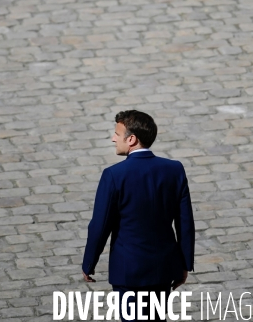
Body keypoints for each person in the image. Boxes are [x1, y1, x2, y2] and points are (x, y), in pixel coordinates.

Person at [82, 110, 195, 321]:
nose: (113, 138)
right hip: (163, 268)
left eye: (117, 133)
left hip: (129, 271)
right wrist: (184, 264)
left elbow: (100, 225)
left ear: (131, 139)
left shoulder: (114, 175)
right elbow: (185, 222)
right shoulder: (174, 170)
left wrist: (89, 263)